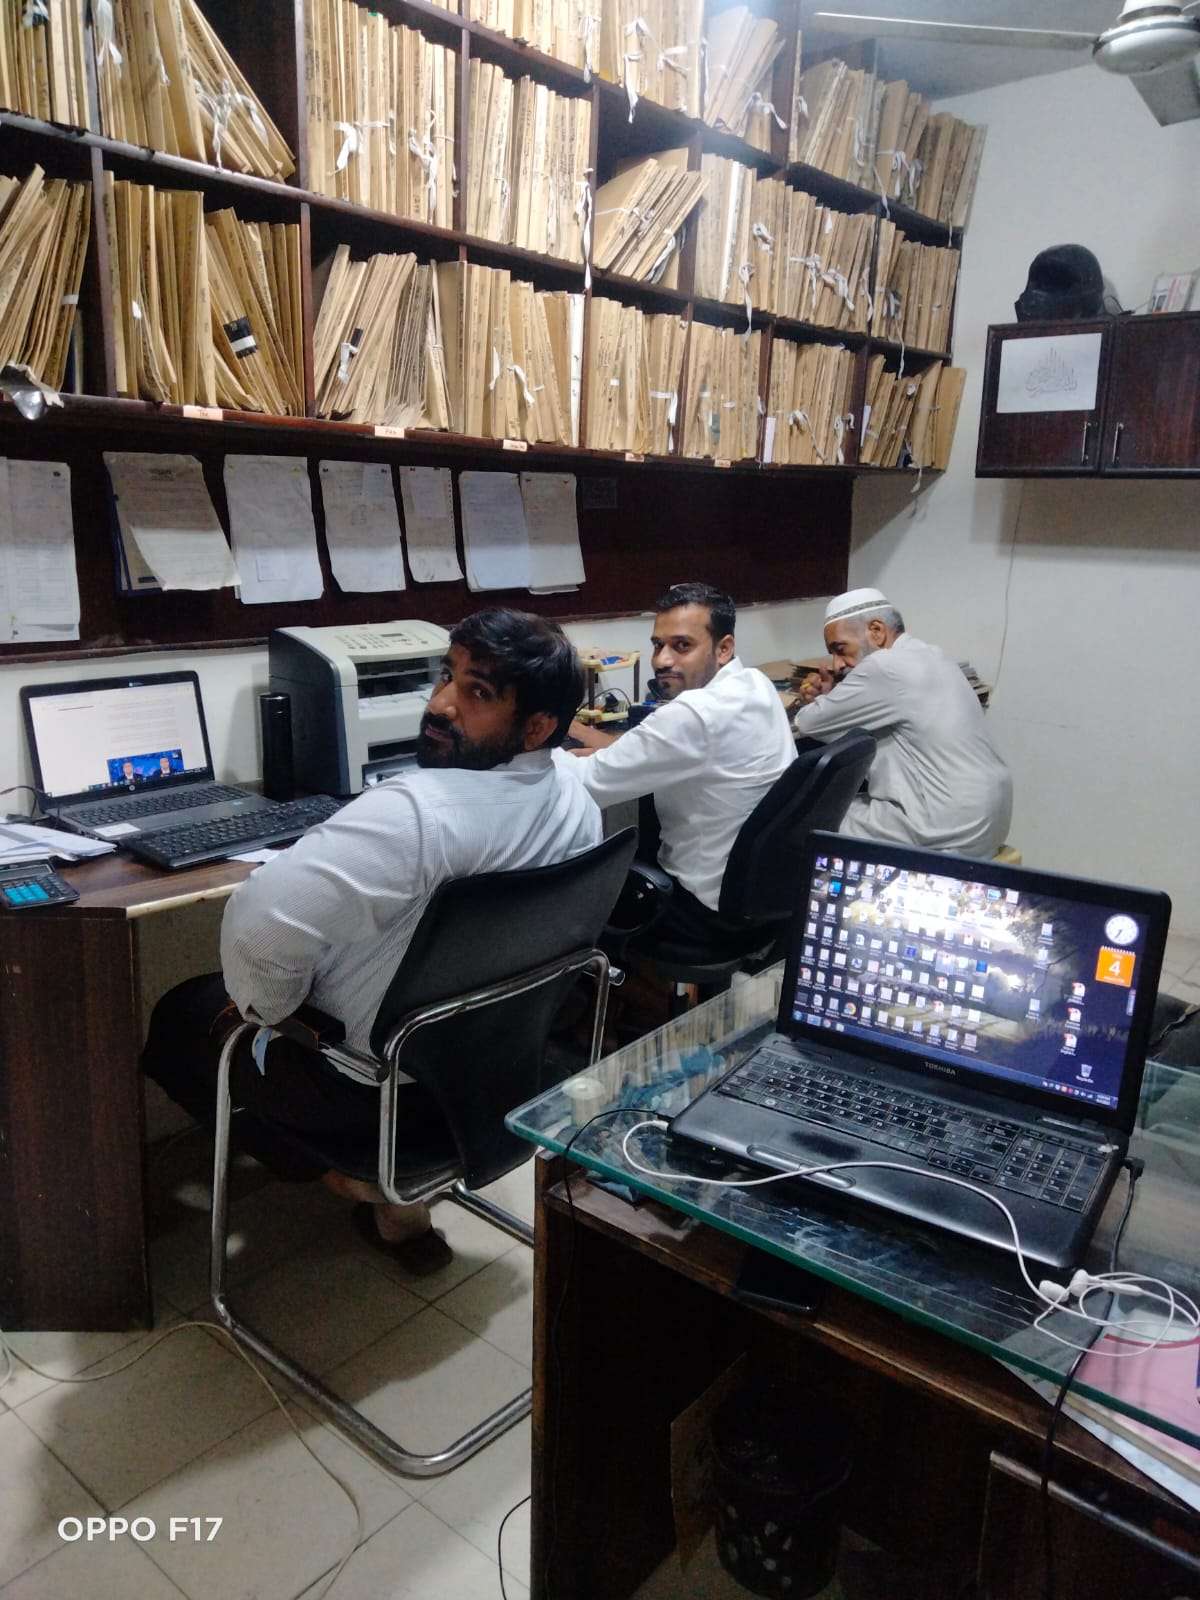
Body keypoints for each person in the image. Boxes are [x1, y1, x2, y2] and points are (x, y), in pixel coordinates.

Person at [142, 608, 601, 1273]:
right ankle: (400, 1208)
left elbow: (259, 932)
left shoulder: (416, 812)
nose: (439, 704)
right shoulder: (577, 806)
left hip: (364, 1100)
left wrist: (273, 1016)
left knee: (183, 1016)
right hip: (489, 1076)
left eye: (477, 692)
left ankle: (346, 1176)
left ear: (535, 726)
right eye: (446, 676)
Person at [560, 582, 795, 943]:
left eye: (682, 646)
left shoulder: (693, 714)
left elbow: (587, 785)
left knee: (566, 904)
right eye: (658, 645)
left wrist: (534, 743)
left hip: (697, 910)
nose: (661, 660)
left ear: (724, 648)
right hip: (761, 898)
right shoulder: (755, 684)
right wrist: (592, 738)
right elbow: (670, 748)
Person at [791, 587, 1012, 857]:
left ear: (876, 631)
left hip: (944, 827)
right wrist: (832, 698)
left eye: (841, 649)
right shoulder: (934, 655)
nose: (837, 665)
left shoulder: (883, 665)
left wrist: (816, 701)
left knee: (806, 818)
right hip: (991, 819)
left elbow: (808, 723)